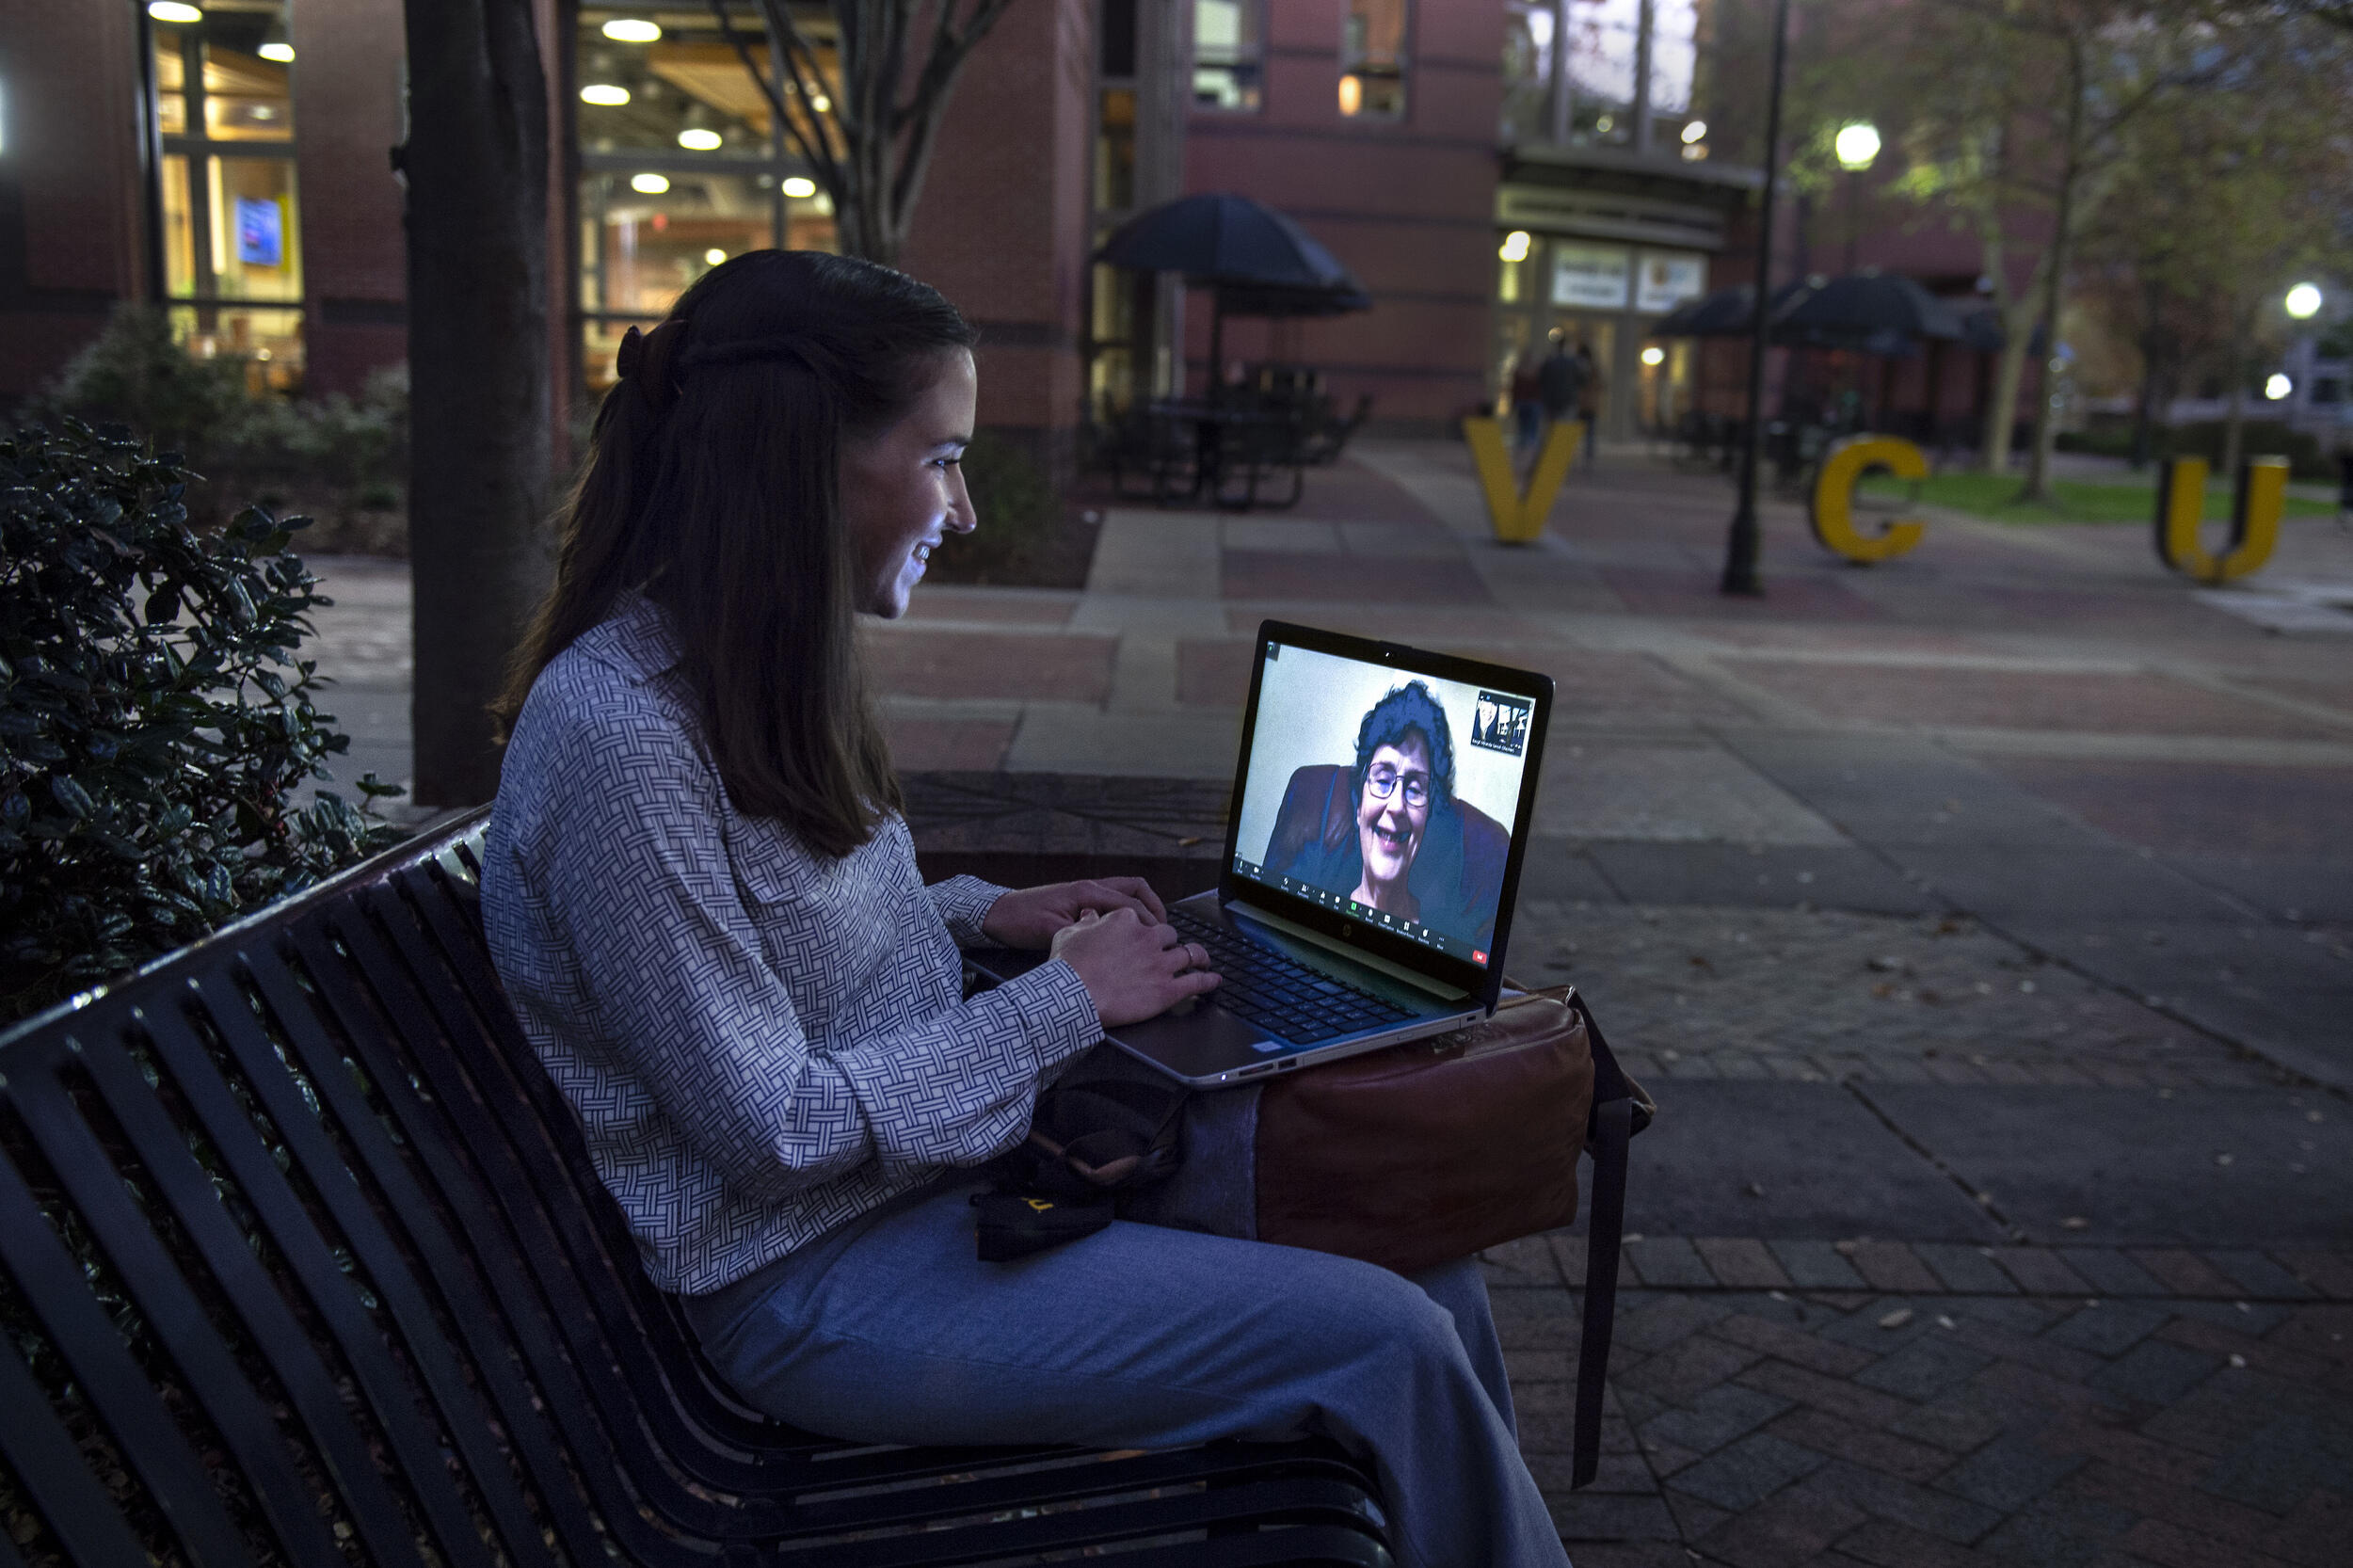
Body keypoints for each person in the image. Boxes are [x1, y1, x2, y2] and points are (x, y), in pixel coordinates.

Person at [480, 250, 1568, 1568]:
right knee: (1387, 1338)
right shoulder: (620, 735)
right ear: (807, 460)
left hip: (948, 1185)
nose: (968, 507)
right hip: (814, 1280)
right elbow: (773, 1129)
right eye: (942, 456)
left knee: (1420, 1249)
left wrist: (987, 912)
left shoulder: (748, 669)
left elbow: (782, 934)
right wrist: (1069, 996)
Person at [1536, 330, 1587, 452]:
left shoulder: (1550, 361)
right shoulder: (1572, 362)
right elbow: (1581, 380)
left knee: (1550, 433)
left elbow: (1541, 380)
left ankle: (1549, 456)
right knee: (1562, 432)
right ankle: (1557, 456)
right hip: (1566, 402)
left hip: (1552, 402)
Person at [1508, 348, 1544, 459]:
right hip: (1530, 403)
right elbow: (1514, 389)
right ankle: (1527, 450)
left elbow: (1514, 389)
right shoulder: (1537, 371)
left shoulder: (1521, 370)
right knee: (1529, 428)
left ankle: (1526, 449)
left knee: (1526, 427)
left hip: (1527, 403)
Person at [1573, 341, 1602, 470]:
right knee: (1589, 434)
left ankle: (1574, 456)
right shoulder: (1594, 368)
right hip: (1589, 404)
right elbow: (1601, 385)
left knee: (1576, 432)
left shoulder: (1579, 367)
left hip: (1581, 404)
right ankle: (1587, 458)